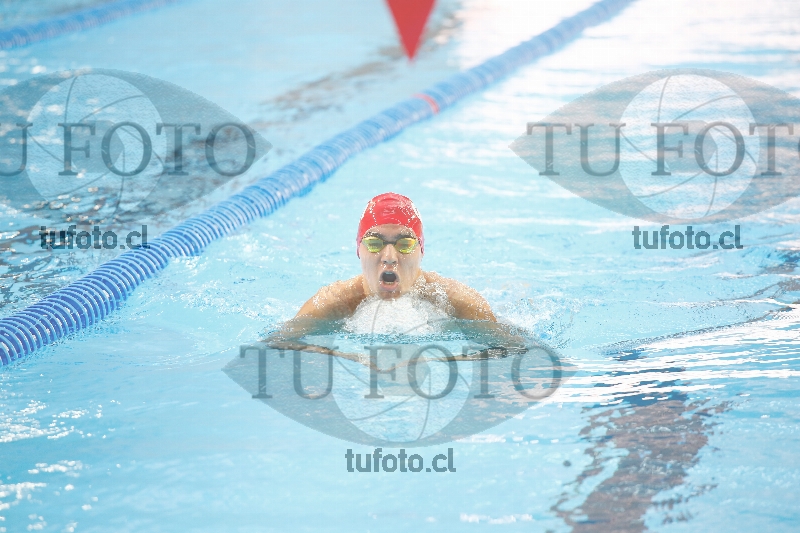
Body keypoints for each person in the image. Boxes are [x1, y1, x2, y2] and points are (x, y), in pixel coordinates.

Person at [267, 192, 525, 360]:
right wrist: (353, 357)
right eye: (374, 243)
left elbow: (514, 347)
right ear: (358, 251)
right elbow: (277, 343)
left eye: (404, 244)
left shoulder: (456, 300)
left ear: (421, 252)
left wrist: (436, 360)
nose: (389, 256)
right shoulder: (333, 302)